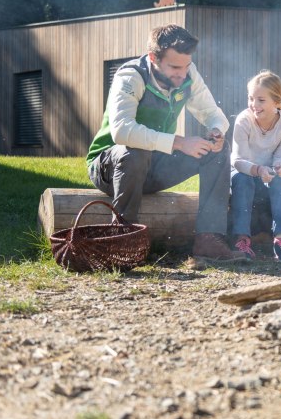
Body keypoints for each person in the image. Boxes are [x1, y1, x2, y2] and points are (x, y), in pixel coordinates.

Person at [86, 24, 247, 265]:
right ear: (153, 58)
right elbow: (122, 132)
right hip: (110, 167)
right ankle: (122, 238)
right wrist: (179, 142)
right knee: (135, 150)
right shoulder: (130, 76)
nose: (182, 74)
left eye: (186, 66)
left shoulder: (187, 72)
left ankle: (209, 239)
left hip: (154, 167)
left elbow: (213, 114)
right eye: (174, 67)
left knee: (217, 149)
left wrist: (215, 131)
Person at [228, 71, 281, 262]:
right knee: (242, 179)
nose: (254, 105)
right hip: (244, 172)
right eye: (251, 98)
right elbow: (237, 160)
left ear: (276, 100)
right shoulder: (244, 120)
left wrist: (280, 165)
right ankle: (241, 239)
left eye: (261, 100)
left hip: (267, 174)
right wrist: (257, 170)